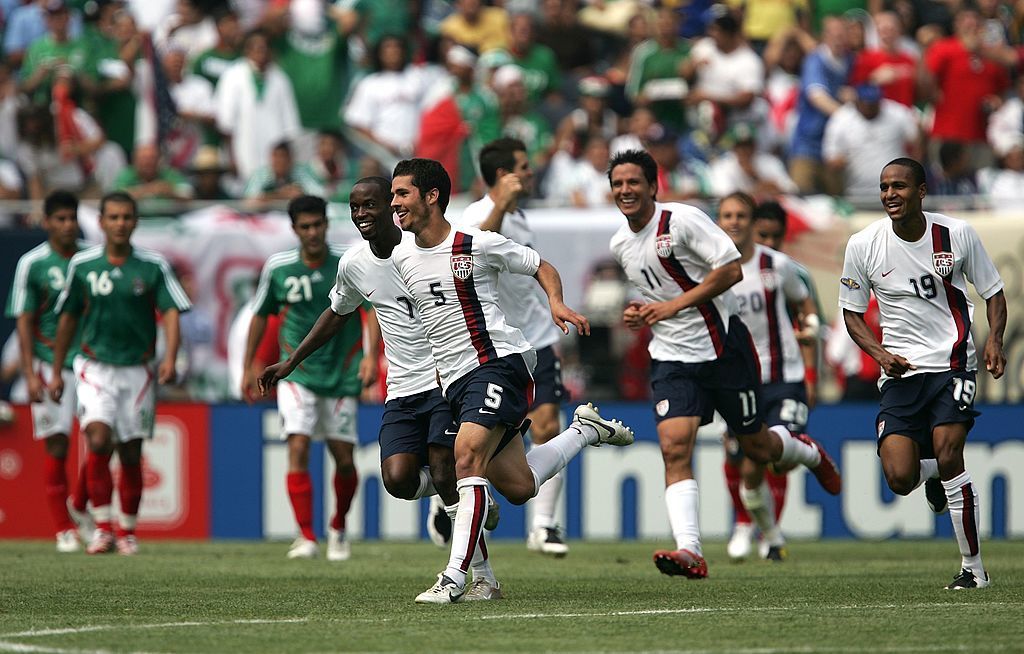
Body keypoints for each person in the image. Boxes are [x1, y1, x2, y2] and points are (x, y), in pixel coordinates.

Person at [389, 158, 635, 603]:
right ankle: (584, 431)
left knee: (465, 460)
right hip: (454, 380)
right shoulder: (403, 258)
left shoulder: (476, 243)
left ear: (431, 197)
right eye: (392, 195)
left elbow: (542, 265)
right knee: (519, 487)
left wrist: (556, 303)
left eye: (402, 193)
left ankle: (456, 579)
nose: (394, 203)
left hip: (499, 363)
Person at [606, 149, 841, 579]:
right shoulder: (620, 244)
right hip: (672, 358)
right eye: (618, 184)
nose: (625, 190)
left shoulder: (683, 221)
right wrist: (642, 311)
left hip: (725, 351)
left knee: (758, 449)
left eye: (633, 182)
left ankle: (806, 451)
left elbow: (731, 269)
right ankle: (691, 551)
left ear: (653, 186)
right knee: (674, 447)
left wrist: (672, 306)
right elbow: (659, 296)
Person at [257, 177, 499, 565]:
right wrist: (292, 361)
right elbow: (337, 314)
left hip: (445, 376)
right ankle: (466, 494)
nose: (361, 214)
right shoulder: (354, 263)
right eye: (355, 208)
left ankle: (476, 573)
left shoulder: (423, 247)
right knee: (398, 479)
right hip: (402, 387)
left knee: (443, 465)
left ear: (390, 205)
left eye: (369, 205)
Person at [839, 158, 1007, 590]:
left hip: (954, 364)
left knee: (951, 454)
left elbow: (993, 292)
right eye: (883, 187)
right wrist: (880, 353)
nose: (890, 195)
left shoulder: (956, 235)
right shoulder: (863, 245)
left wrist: (993, 341)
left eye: (899, 186)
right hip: (901, 373)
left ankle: (974, 569)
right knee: (899, 478)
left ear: (921, 191)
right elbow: (851, 314)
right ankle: (929, 474)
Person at [48, 191, 191, 556]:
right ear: (101, 222)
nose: (120, 224)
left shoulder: (152, 266)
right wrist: (55, 371)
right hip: (94, 366)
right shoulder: (82, 266)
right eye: (113, 217)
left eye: (127, 217)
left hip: (138, 370)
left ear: (136, 221)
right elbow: (67, 319)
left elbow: (172, 312)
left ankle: (128, 530)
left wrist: (170, 357)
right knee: (97, 439)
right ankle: (103, 528)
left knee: (130, 451)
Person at [241, 195, 378, 561]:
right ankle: (306, 536)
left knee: (344, 458)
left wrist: (370, 357)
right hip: (297, 372)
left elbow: (372, 309)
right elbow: (260, 315)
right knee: (297, 446)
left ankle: (338, 527)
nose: (313, 232)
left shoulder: (346, 263)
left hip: (342, 371)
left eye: (318, 224)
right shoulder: (279, 268)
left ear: (326, 225)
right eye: (305, 227)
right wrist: (249, 364)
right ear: (294, 229)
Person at [456, 137, 572, 556]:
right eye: (522, 166)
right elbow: (469, 255)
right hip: (494, 347)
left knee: (547, 425)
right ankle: (454, 507)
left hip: (537, 340)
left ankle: (544, 526)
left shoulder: (522, 217)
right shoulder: (473, 216)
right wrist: (500, 205)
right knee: (482, 442)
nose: (530, 172)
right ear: (503, 175)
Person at [717, 192, 821, 562]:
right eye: (727, 215)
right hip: (740, 378)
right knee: (738, 457)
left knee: (778, 456)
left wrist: (811, 366)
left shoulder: (779, 266)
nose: (734, 222)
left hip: (784, 375)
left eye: (740, 215)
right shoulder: (714, 270)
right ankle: (752, 527)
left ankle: (761, 528)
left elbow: (806, 306)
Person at [5, 190, 86, 552]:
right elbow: (24, 321)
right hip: (48, 363)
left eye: (72, 218)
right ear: (47, 222)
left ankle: (80, 502)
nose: (68, 225)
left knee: (103, 439)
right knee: (58, 444)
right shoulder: (32, 263)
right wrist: (30, 374)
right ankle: (63, 528)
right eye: (60, 219)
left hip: (93, 362)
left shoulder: (91, 258)